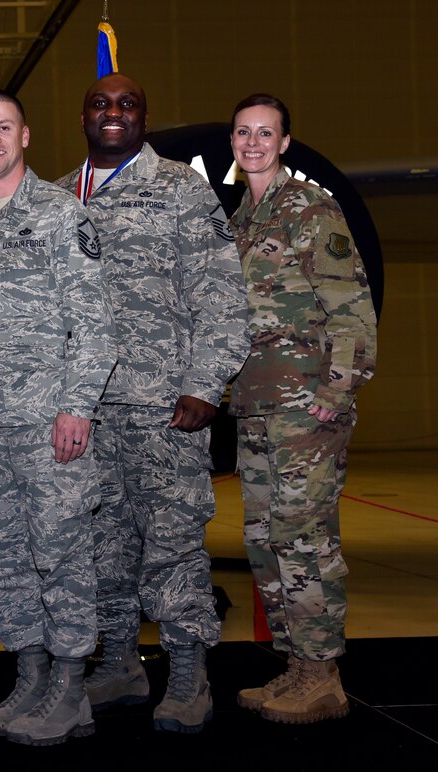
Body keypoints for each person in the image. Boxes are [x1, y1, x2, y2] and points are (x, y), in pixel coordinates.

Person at [55, 72, 249, 733]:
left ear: (145, 117)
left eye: (127, 104)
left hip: (163, 405)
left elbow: (222, 294)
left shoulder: (180, 190)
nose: (113, 114)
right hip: (84, 414)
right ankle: (120, 664)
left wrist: (205, 382)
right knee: (100, 548)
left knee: (172, 546)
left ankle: (189, 675)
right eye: (100, 104)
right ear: (83, 116)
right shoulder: (57, 198)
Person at [0, 90, 116, 746]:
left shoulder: (58, 212)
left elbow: (95, 323)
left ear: (26, 137)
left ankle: (71, 689)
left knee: (62, 555)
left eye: (4, 128)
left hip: (50, 426)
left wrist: (77, 407)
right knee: (7, 558)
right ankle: (31, 675)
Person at [228, 93, 377, 724]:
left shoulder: (309, 209)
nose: (253, 143)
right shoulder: (243, 219)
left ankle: (323, 676)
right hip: (259, 406)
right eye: (244, 132)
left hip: (304, 408)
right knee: (264, 540)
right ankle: (295, 667)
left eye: (266, 133)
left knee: (305, 537)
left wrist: (333, 395)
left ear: (285, 143)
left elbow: (352, 310)